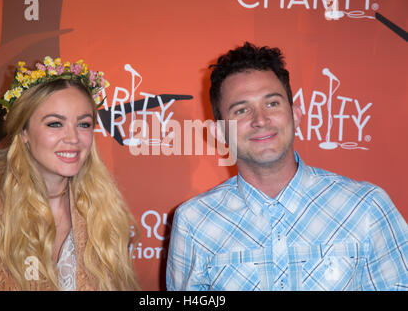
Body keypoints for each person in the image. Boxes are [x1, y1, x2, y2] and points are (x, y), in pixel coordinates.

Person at [166, 42, 408, 291]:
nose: (260, 120)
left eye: (272, 104)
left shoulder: (365, 207)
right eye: (241, 110)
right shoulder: (194, 223)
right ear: (218, 132)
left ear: (295, 115)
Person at [0, 57, 139, 290]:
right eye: (55, 124)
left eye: (83, 124)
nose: (73, 138)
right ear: (23, 132)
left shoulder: (108, 216)